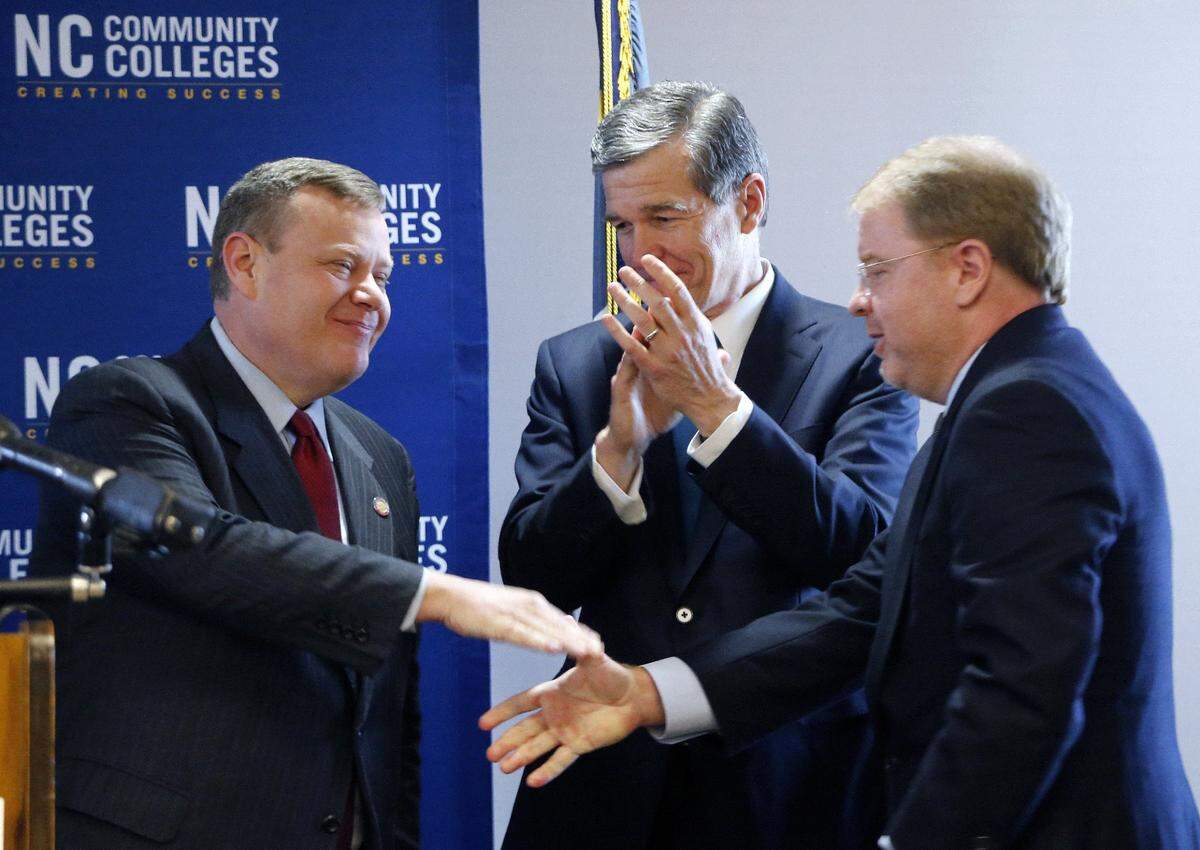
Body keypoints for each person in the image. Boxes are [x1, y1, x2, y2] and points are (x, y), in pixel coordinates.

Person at [484, 136, 1200, 849]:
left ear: (968, 270)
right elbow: (863, 610)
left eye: (879, 270)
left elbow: (1020, 693)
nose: (860, 300)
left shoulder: (1027, 410)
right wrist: (647, 693)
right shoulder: (1009, 398)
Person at [28, 157, 600, 850]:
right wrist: (434, 592)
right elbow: (205, 551)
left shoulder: (379, 458)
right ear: (244, 263)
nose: (371, 296)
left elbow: (389, 709)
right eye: (342, 267)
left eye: (382, 277)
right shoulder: (127, 403)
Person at [498, 81, 917, 849]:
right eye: (623, 224)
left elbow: (863, 556)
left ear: (749, 202)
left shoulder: (866, 356)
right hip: (603, 790)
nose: (640, 250)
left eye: (665, 216)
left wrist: (720, 414)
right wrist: (616, 455)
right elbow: (535, 583)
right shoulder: (578, 362)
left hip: (788, 783)